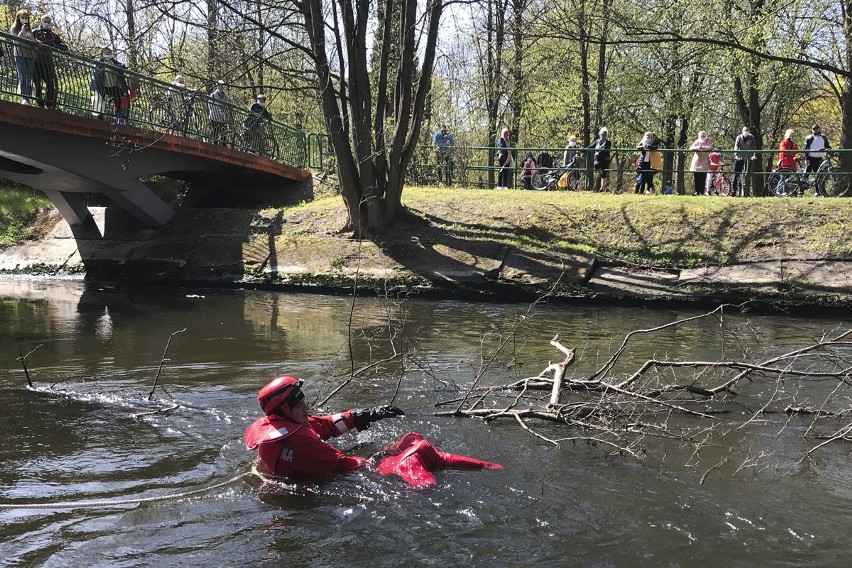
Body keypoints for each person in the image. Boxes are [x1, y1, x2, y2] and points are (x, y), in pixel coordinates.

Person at [244, 377, 501, 487]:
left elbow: (324, 424)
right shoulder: (299, 441)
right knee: (417, 449)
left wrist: (365, 415)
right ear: (285, 411)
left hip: (308, 473)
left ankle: (487, 468)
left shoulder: (286, 425)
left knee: (412, 440)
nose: (307, 407)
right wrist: (380, 459)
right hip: (320, 484)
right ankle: (431, 490)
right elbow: (344, 465)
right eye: (300, 405)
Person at [31, 15, 67, 109]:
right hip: (36, 61)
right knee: (37, 83)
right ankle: (40, 103)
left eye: (48, 22)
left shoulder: (53, 35)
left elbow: (64, 47)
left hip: (47, 63)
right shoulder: (35, 32)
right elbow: (29, 40)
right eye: (45, 21)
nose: (46, 23)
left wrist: (53, 45)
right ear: (41, 21)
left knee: (50, 83)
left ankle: (49, 103)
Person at [90, 46, 129, 123]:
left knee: (118, 96)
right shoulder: (99, 62)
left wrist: (118, 67)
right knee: (100, 99)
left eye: (109, 52)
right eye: (106, 52)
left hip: (112, 85)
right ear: (102, 54)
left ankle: (119, 113)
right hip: (102, 85)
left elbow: (121, 66)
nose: (108, 53)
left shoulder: (114, 62)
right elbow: (96, 72)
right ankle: (100, 116)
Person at [9, 10, 36, 106]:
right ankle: (24, 98)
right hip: (19, 55)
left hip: (30, 56)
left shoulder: (30, 30)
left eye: (26, 18)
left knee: (29, 78)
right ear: (18, 18)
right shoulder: (14, 29)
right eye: (22, 17)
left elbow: (33, 43)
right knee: (23, 77)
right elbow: (16, 41)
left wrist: (33, 38)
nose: (24, 19)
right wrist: (22, 31)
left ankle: (27, 98)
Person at [732, 126, 758, 197]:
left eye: (747, 130)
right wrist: (736, 155)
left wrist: (754, 155)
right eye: (745, 130)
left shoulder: (752, 137)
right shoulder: (739, 137)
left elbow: (754, 147)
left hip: (748, 158)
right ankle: (733, 192)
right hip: (739, 158)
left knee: (747, 175)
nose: (746, 131)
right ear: (742, 131)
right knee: (736, 174)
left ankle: (746, 192)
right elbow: (736, 146)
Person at [689, 131, 713, 196]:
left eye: (703, 136)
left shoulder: (708, 141)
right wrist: (697, 148)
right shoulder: (697, 141)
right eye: (701, 136)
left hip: (704, 161)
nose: (702, 137)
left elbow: (710, 147)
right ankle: (697, 191)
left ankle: (701, 192)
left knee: (703, 177)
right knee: (696, 177)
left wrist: (703, 148)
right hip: (697, 161)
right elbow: (691, 148)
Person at [208, 80, 230, 145]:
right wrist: (212, 112)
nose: (221, 87)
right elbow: (209, 105)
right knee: (215, 131)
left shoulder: (225, 97)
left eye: (222, 85)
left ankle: (224, 145)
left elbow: (225, 106)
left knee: (223, 132)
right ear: (217, 86)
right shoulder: (213, 95)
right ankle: (215, 145)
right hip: (214, 116)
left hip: (222, 117)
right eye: (219, 85)